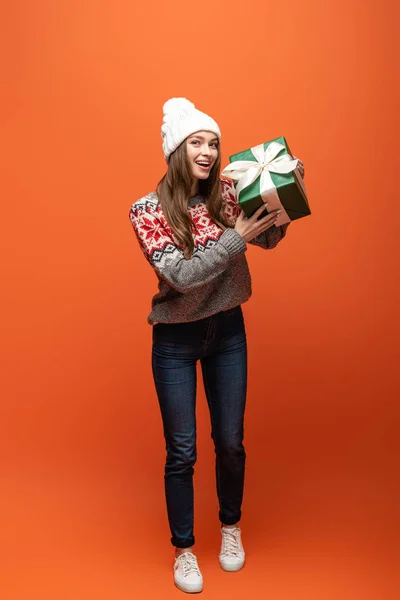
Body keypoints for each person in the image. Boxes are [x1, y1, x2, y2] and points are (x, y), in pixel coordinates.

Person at [129, 98, 305, 594]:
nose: (207, 151)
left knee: (230, 442)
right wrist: (236, 239)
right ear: (176, 150)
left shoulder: (229, 193)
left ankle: (231, 528)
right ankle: (184, 551)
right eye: (196, 143)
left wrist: (280, 195)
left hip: (228, 331)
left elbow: (268, 239)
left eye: (213, 143)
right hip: (176, 341)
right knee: (181, 451)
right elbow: (181, 277)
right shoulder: (146, 211)